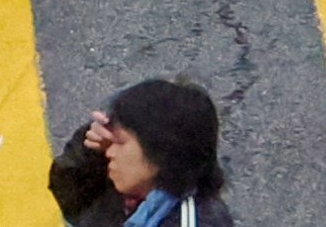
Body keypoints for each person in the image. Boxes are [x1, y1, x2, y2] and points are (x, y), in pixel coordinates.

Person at [52, 80, 231, 225]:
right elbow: (71, 201)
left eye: (120, 142)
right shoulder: (132, 195)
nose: (109, 152)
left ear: (161, 153)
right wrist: (90, 151)